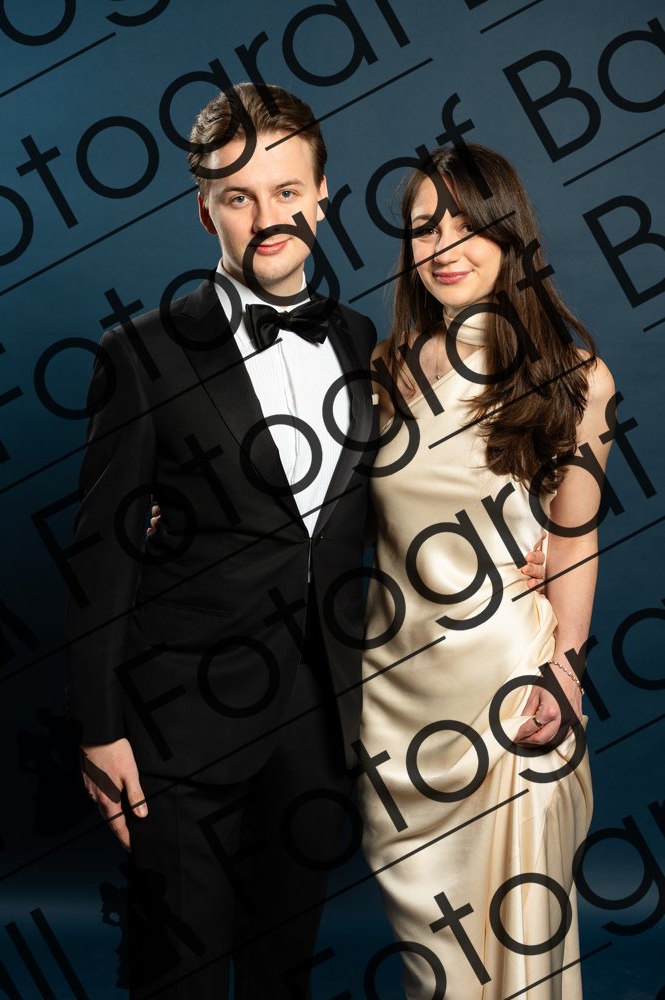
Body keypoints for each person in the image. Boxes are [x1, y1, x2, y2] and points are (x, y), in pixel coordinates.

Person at [66, 84, 546, 999]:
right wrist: (99, 729)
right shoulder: (139, 353)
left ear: (322, 196)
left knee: (283, 972)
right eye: (238, 197)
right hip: (178, 726)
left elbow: (420, 493)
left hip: (323, 726)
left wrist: (522, 553)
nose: (267, 217)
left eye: (287, 191)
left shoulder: (365, 343)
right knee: (177, 972)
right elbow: (101, 553)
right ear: (203, 208)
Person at [358, 144, 614, 998]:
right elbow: (308, 501)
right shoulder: (383, 370)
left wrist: (564, 671)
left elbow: (571, 538)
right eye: (424, 228)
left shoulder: (572, 376)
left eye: (467, 225)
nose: (443, 246)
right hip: (393, 695)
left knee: (517, 932)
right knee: (434, 954)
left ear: (509, 235)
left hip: (508, 686)